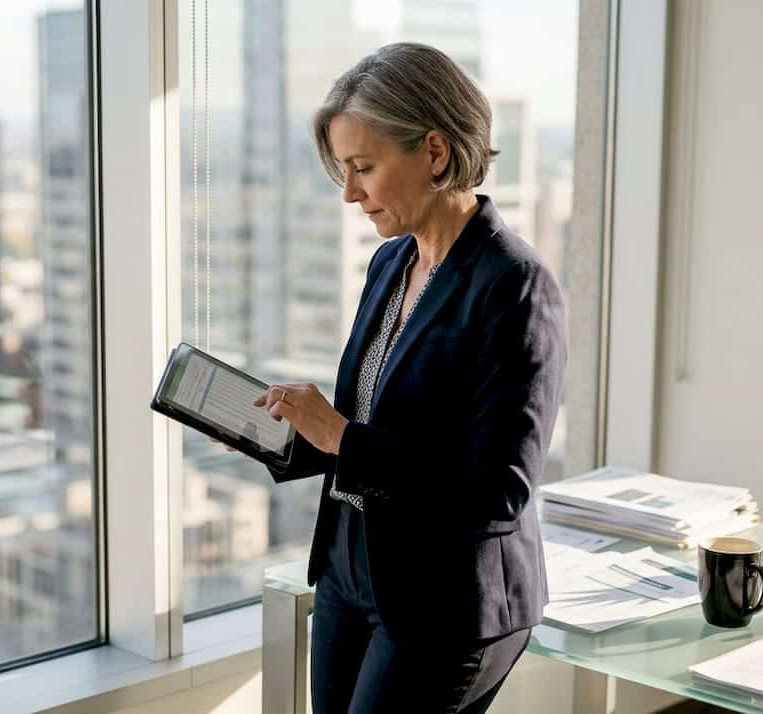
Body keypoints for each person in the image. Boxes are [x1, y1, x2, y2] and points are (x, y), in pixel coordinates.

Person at [252, 43, 567, 713]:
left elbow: (500, 489)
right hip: (351, 571)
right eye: (343, 169)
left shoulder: (514, 285)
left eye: (364, 167)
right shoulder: (390, 264)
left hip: (447, 598)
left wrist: (340, 437)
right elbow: (372, 428)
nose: (349, 193)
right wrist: (281, 434)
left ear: (433, 150)